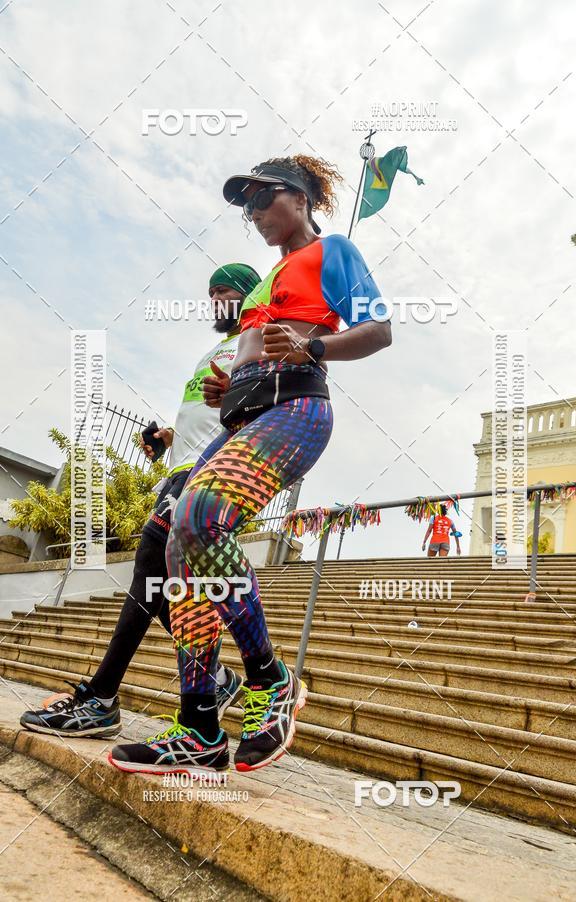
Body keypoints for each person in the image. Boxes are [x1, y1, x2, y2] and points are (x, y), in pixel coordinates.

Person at [109, 153, 392, 776]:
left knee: (201, 516)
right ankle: (199, 728)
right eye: (246, 207)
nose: (254, 213)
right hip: (243, 417)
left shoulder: (333, 250)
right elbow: (253, 352)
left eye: (263, 199)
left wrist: (314, 345)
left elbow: (379, 330)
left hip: (297, 409)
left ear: (301, 198)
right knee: (174, 543)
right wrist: (227, 388)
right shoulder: (267, 281)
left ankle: (270, 679)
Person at [20, 263, 261, 739]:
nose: (214, 301)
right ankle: (215, 679)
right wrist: (168, 437)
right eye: (210, 293)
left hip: (209, 471)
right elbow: (205, 414)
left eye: (223, 292)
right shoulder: (214, 351)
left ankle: (102, 699)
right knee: (156, 583)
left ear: (248, 294)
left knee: (150, 563)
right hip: (181, 468)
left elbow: (255, 409)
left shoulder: (256, 340)